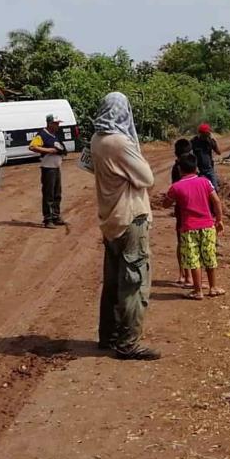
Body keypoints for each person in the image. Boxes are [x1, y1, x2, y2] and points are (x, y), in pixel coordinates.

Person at [90, 92, 160, 360]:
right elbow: (147, 177)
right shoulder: (120, 142)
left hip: (109, 220)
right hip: (131, 219)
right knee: (133, 283)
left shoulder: (97, 139)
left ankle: (107, 336)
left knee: (112, 282)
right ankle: (128, 344)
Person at [163, 152, 225, 300]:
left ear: (180, 170)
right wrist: (219, 220)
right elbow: (216, 201)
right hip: (208, 226)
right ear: (196, 167)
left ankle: (198, 291)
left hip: (189, 228)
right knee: (209, 256)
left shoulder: (176, 187)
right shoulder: (205, 182)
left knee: (193, 259)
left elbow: (165, 204)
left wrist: (170, 198)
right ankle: (213, 287)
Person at [29, 114, 67, 228]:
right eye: (55, 123)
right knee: (48, 194)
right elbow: (32, 147)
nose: (58, 126)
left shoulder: (55, 135)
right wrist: (49, 150)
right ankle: (48, 219)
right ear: (49, 123)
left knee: (57, 193)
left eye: (58, 123)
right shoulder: (42, 134)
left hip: (56, 167)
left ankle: (55, 216)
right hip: (48, 168)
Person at [170, 138, 193, 287]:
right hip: (191, 208)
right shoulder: (189, 165)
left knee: (182, 241)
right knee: (191, 242)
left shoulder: (176, 167)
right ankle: (189, 275)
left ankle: (184, 274)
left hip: (181, 209)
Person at [190, 123, 220, 190]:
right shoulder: (194, 141)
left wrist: (214, 141)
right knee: (200, 190)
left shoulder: (210, 141)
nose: (206, 136)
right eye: (204, 134)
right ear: (200, 133)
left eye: (207, 134)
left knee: (214, 189)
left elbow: (218, 152)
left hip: (209, 169)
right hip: (199, 170)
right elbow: (188, 152)